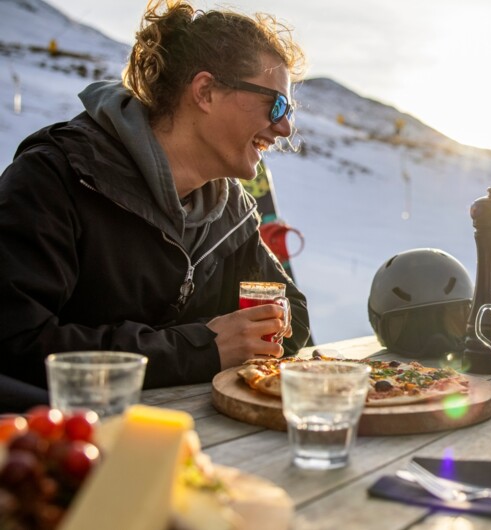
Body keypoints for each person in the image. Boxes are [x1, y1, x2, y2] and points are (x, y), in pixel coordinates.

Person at [0, 0, 311, 401]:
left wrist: (220, 340)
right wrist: (200, 347)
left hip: (191, 429)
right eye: (277, 105)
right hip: (70, 432)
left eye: (289, 111)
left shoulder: (229, 212)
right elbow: (16, 342)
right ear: (205, 91)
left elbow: (293, 319)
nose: (285, 128)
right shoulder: (60, 177)